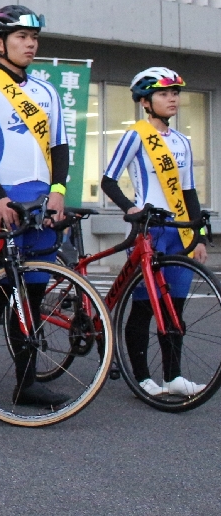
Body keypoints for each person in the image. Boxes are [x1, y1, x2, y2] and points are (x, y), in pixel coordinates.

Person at [0, 5, 69, 409]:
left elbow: (59, 146)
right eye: (22, 37)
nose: (30, 44)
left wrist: (58, 190)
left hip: (41, 202)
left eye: (34, 37)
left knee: (34, 294)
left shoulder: (47, 91)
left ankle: (27, 383)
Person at [102, 67, 208, 397]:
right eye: (163, 94)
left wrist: (200, 235)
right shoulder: (136, 134)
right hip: (150, 231)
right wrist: (130, 209)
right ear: (146, 102)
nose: (172, 98)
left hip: (178, 233)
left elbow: (189, 192)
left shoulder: (182, 142)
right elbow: (108, 180)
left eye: (175, 93)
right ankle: (143, 377)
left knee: (174, 308)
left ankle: (173, 376)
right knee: (145, 307)